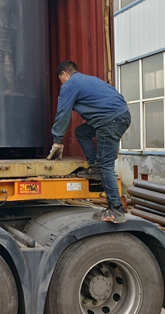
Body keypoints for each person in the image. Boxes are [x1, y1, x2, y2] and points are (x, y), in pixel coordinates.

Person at [46, 61, 131, 223]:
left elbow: (62, 113)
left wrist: (57, 141)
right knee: (82, 132)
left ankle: (116, 209)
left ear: (64, 74)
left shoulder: (70, 85)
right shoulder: (90, 80)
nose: (62, 83)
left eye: (61, 79)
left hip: (110, 121)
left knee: (106, 165)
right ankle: (95, 168)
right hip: (120, 116)